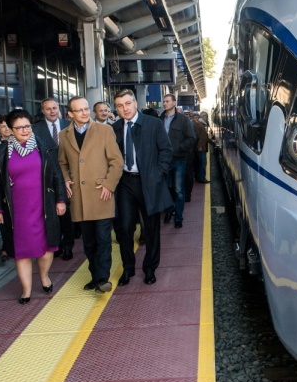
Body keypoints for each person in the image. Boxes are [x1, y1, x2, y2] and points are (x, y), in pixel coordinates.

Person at [0, 110, 67, 304]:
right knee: (21, 250)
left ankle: (45, 276)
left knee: (47, 247)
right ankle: (26, 290)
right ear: (10, 130)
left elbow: (57, 175)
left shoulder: (45, 147)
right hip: (17, 210)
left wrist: (61, 200)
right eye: (19, 127)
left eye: (27, 126)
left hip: (44, 205)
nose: (24, 130)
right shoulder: (2, 153)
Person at [59, 96, 123, 292]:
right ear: (70, 114)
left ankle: (103, 279)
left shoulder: (104, 130)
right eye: (79, 110)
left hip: (101, 193)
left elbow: (116, 161)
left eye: (86, 108)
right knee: (88, 242)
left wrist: (109, 185)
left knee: (103, 239)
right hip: (79, 197)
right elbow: (62, 163)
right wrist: (66, 179)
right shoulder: (64, 135)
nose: (85, 113)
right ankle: (95, 277)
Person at [112, 88, 172, 286]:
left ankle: (150, 268)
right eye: (120, 106)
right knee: (125, 228)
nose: (125, 109)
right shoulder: (114, 128)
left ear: (135, 103)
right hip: (125, 183)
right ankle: (128, 269)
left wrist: (158, 174)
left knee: (151, 228)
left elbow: (166, 150)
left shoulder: (153, 124)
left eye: (128, 104)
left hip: (149, 182)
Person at [32, 98, 75, 260]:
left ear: (59, 109)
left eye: (54, 108)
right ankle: (55, 244)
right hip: (46, 176)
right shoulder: (35, 129)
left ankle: (68, 245)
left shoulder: (68, 124)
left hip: (68, 174)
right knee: (52, 212)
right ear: (42, 111)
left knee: (68, 212)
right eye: (48, 109)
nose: (52, 111)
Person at [160, 94, 195, 228]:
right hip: (163, 161)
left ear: (174, 103)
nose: (165, 103)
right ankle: (170, 209)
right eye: (163, 101)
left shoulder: (183, 120)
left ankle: (178, 218)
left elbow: (191, 138)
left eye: (167, 101)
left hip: (179, 160)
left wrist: (179, 149)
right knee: (165, 189)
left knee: (179, 190)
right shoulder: (159, 120)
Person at [0, 114, 14, 263]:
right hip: (3, 190)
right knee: (4, 222)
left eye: (8, 126)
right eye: (3, 126)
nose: (6, 129)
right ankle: (6, 248)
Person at [196, 111, 210, 182]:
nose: (207, 118)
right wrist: (199, 146)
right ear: (203, 116)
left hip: (202, 147)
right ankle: (201, 178)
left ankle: (201, 177)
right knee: (202, 163)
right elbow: (199, 137)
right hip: (201, 148)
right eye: (206, 116)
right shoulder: (200, 125)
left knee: (201, 163)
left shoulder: (201, 124)